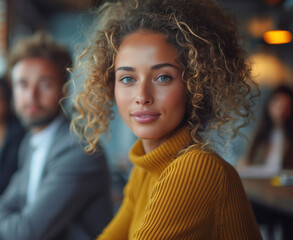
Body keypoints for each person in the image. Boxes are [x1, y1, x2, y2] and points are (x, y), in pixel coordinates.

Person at [71, 0, 262, 239]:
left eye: (163, 77)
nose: (142, 97)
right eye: (128, 79)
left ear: (194, 86)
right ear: (111, 86)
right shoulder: (144, 171)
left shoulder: (197, 168)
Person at [0, 33, 112, 240]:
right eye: (23, 85)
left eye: (45, 84)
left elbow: (27, 232)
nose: (31, 96)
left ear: (65, 90)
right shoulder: (30, 142)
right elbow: (7, 202)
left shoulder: (80, 150)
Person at [237, 85, 293, 177]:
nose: (281, 112)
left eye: (286, 108)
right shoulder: (258, 135)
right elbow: (245, 162)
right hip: (260, 183)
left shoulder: (289, 138)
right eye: (278, 106)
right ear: (269, 105)